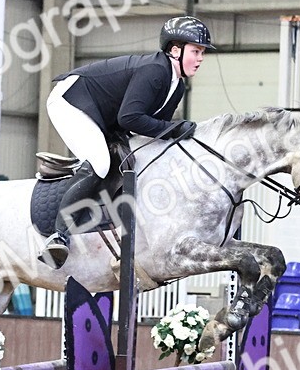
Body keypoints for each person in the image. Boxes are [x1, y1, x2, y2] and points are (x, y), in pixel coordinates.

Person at [38, 15, 214, 267]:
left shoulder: (176, 86)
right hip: (71, 100)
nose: (200, 59)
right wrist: (175, 129)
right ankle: (58, 236)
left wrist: (175, 133)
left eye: (202, 53)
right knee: (99, 161)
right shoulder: (155, 71)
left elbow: (152, 132)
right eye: (196, 51)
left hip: (103, 113)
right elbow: (130, 118)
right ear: (175, 50)